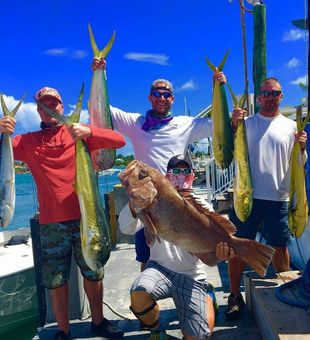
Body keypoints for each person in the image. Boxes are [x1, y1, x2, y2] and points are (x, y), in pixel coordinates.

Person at [0, 87, 126, 340]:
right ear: (38, 110)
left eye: (54, 104)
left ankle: (98, 321)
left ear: (62, 107)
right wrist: (1, 131)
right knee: (56, 279)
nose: (50, 108)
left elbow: (119, 141)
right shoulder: (26, 142)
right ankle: (63, 329)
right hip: (50, 223)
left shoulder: (79, 134)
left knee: (94, 271)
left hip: (86, 217)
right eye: (44, 105)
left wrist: (89, 130)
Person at [92, 57, 227, 271]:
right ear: (150, 97)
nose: (161, 98)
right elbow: (101, 109)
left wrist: (219, 88)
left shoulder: (186, 124)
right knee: (146, 257)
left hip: (179, 202)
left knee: (189, 252)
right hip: (146, 202)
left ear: (172, 99)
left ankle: (194, 287)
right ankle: (147, 295)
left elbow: (220, 125)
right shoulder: (136, 123)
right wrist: (99, 74)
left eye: (166, 95)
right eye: (157, 94)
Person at [118, 154, 236, 340]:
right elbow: (125, 228)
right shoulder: (150, 202)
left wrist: (221, 255)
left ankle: (207, 296)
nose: (181, 175)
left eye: (186, 171)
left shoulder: (202, 206)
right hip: (160, 270)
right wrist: (134, 206)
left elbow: (211, 261)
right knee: (139, 292)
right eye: (175, 171)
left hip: (192, 277)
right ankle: (157, 330)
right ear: (166, 176)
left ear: (192, 176)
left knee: (197, 337)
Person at [225, 77, 308, 321]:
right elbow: (231, 151)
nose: (270, 97)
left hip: (279, 198)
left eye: (275, 93)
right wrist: (233, 125)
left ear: (281, 96)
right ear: (258, 97)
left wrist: (301, 149)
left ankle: (286, 287)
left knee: (281, 246)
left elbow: (298, 165)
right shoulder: (247, 124)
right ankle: (233, 295)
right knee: (239, 245)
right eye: (265, 93)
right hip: (246, 197)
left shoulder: (292, 127)